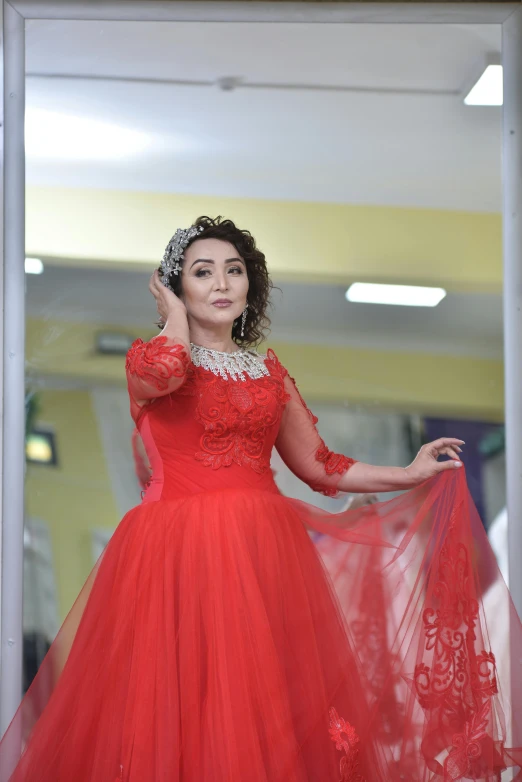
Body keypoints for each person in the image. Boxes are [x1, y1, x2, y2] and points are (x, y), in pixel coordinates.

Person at [1, 216, 521, 781]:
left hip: (262, 553)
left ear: (251, 285)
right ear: (178, 287)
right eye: (203, 273)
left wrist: (407, 471)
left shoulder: (269, 374)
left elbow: (321, 466)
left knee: (263, 703)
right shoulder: (147, 360)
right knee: (183, 701)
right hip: (176, 552)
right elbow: (169, 371)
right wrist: (174, 318)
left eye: (234, 271)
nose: (222, 284)